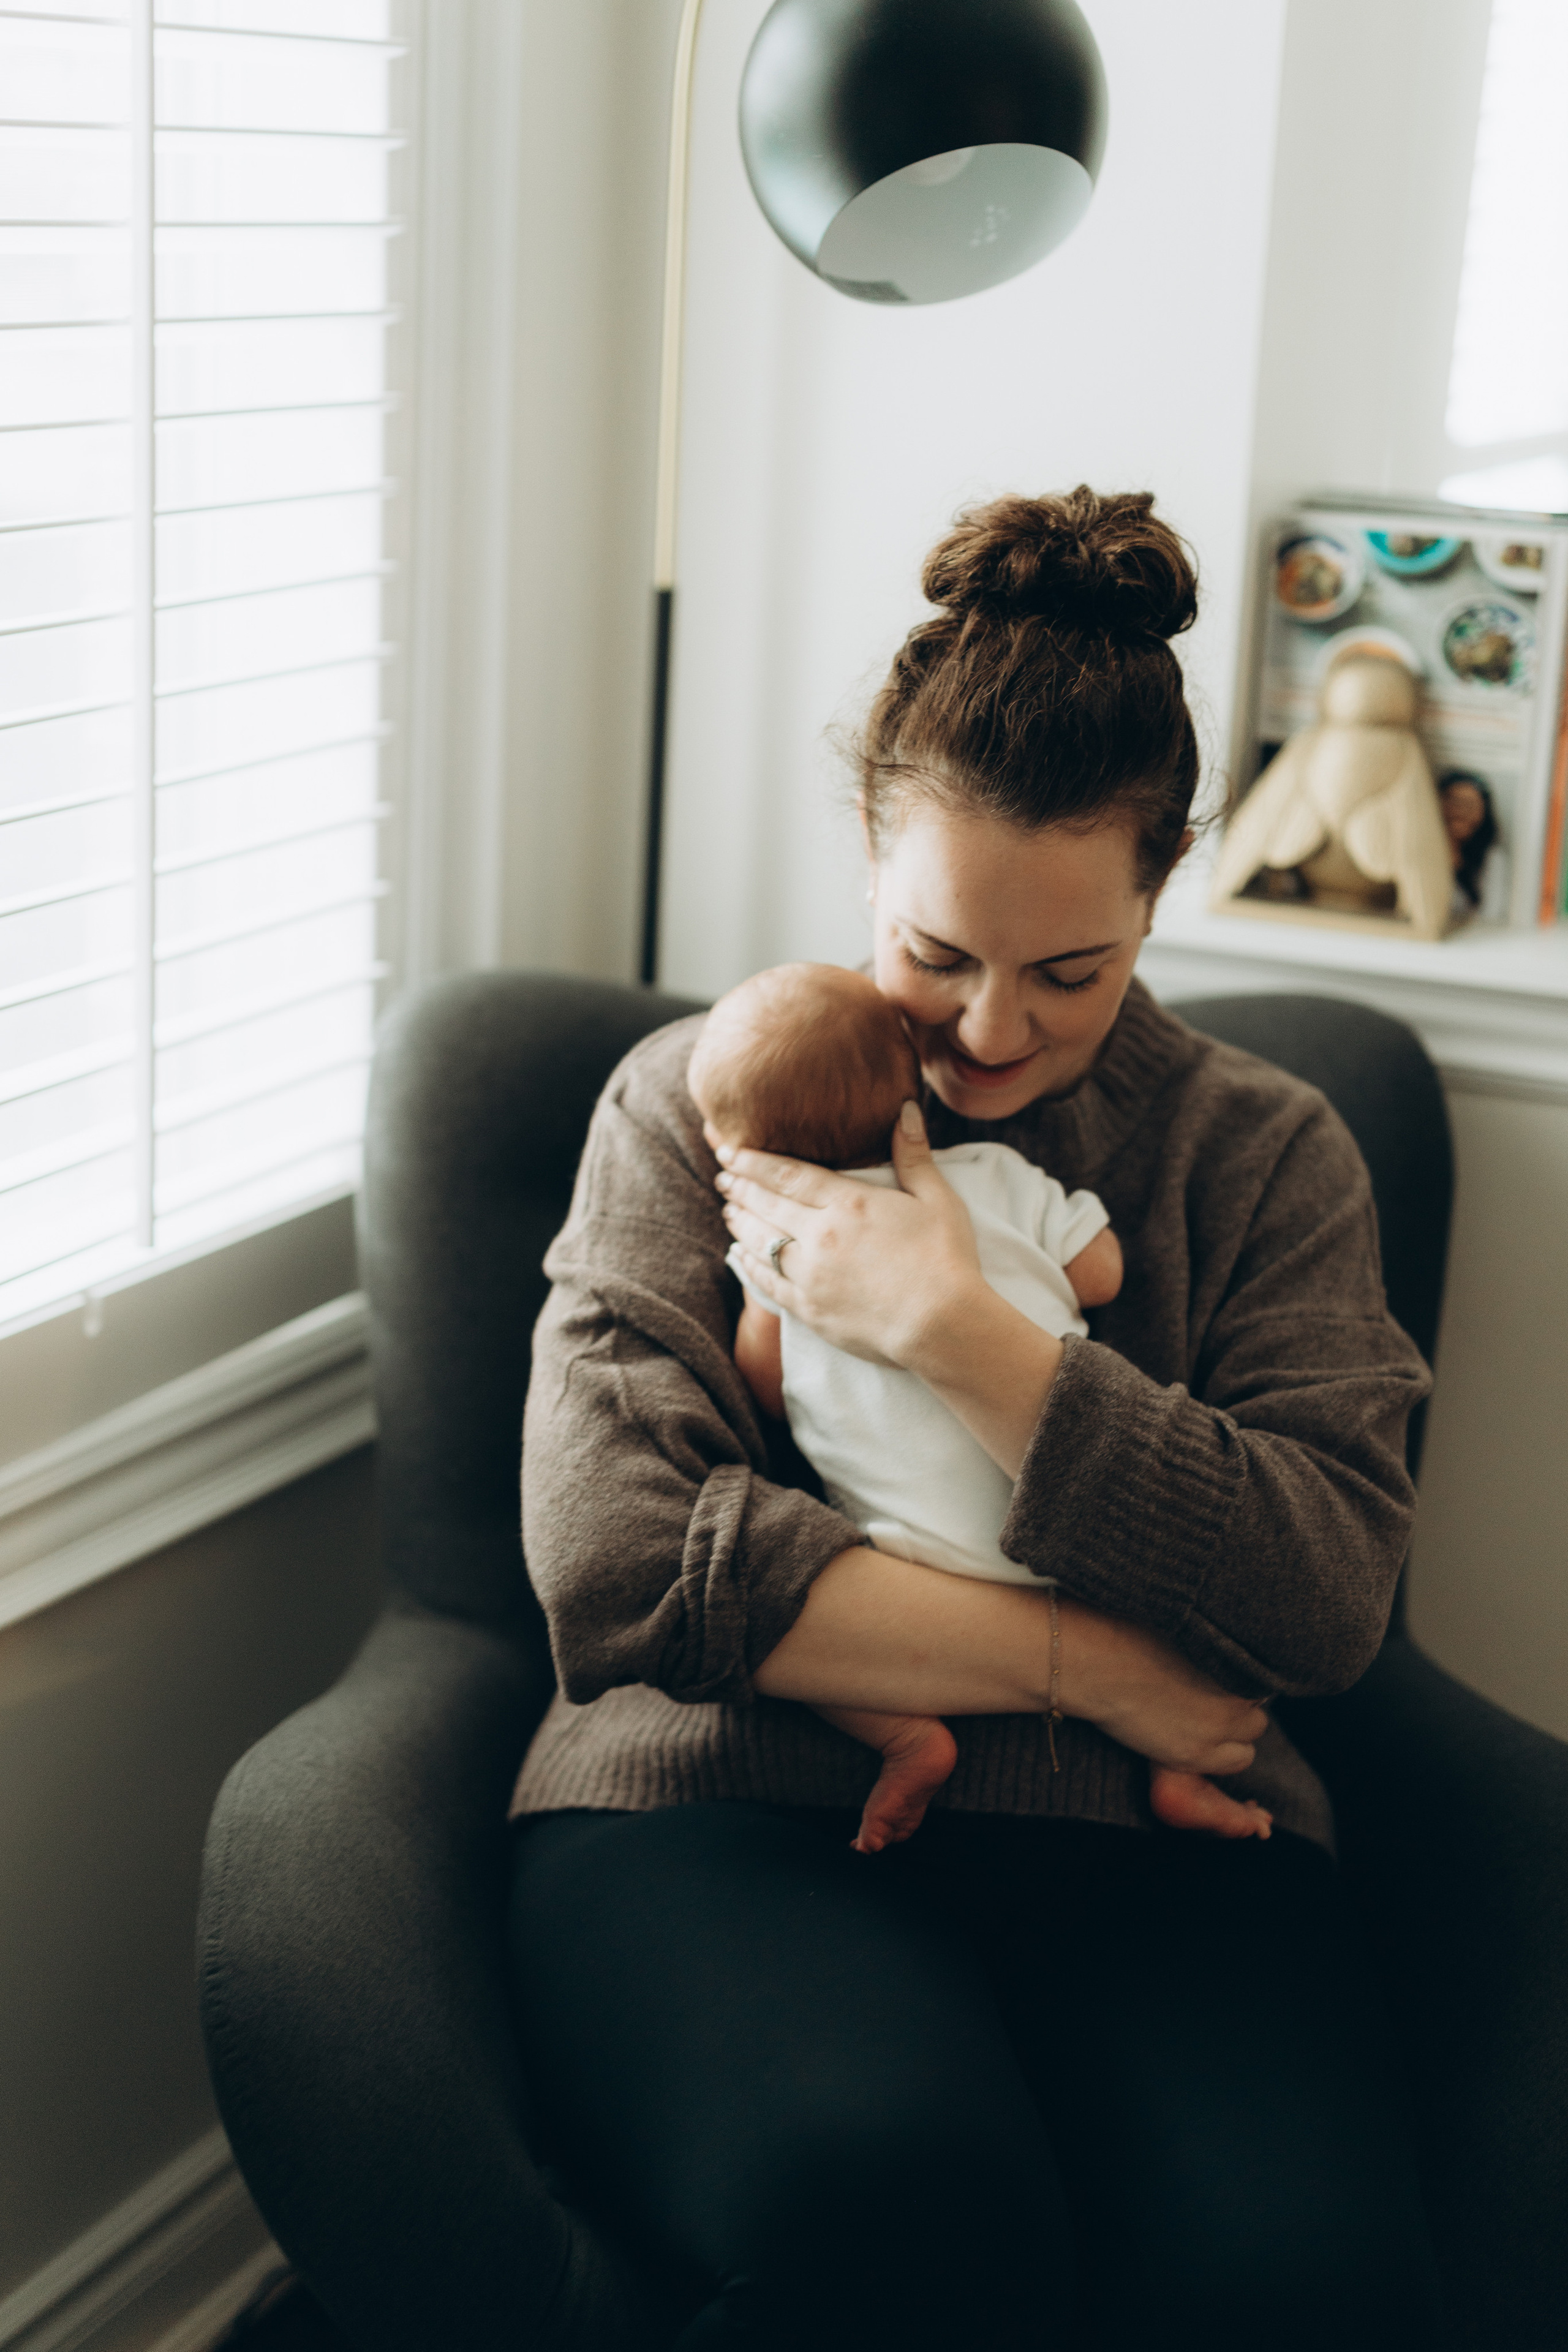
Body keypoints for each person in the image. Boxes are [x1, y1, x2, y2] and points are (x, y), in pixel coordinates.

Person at [505, 487, 1447, 2350]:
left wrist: (971, 1340)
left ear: (1157, 890)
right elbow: (611, 1554)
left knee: (1301, 2281)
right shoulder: (691, 1107)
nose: (992, 1035)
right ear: (870, 845)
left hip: (1166, 1853)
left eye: (1069, 971)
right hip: (735, 1806)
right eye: (938, 957)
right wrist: (1094, 1669)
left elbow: (1326, 1594)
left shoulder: (1267, 1157)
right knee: (895, 2208)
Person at [687, 957, 1274, 1855]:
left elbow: (764, 1386)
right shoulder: (994, 1177)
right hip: (1081, 1542)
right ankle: (1181, 1774)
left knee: (796, 1637)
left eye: (1067, 970)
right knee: (1184, 1611)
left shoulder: (775, 1254)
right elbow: (1102, 1271)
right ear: (910, 1098)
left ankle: (905, 1733)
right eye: (936, 956)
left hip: (906, 1579)